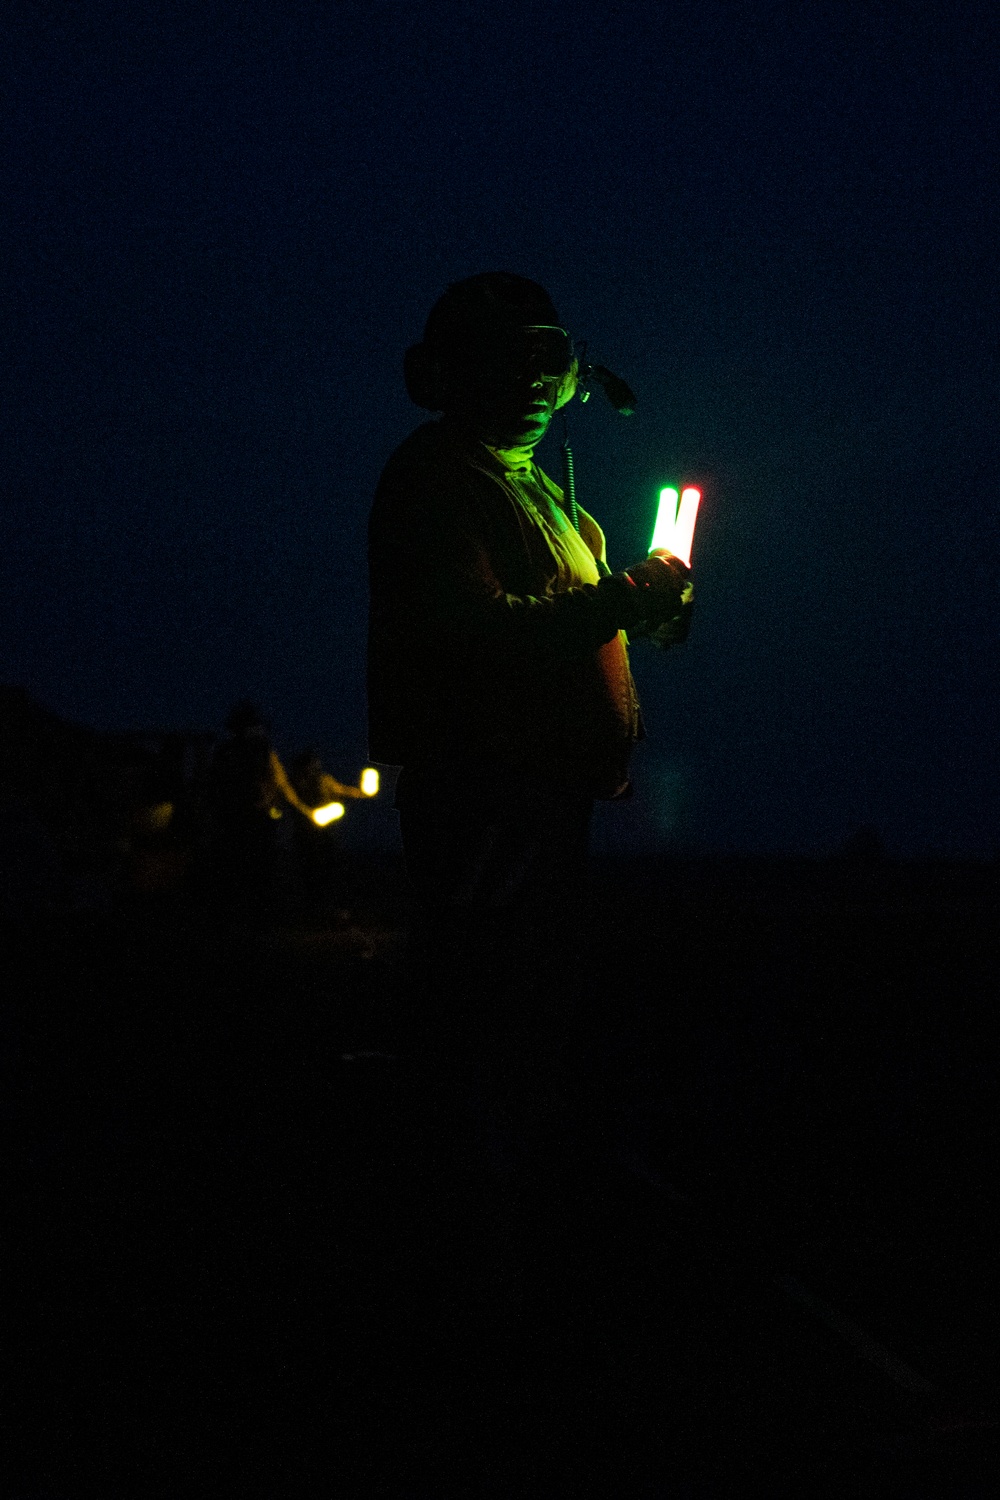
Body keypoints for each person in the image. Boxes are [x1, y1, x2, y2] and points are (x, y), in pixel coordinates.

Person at [368, 273, 693, 1085]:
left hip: (541, 799)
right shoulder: (434, 481)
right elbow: (475, 637)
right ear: (445, 377)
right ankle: (470, 1183)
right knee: (484, 1018)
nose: (532, 386)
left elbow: (575, 620)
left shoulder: (545, 495)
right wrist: (623, 597)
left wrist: (654, 611)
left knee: (535, 1013)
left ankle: (522, 1172)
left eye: (545, 365)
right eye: (503, 365)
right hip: (483, 798)